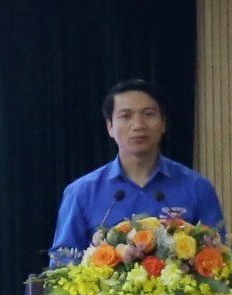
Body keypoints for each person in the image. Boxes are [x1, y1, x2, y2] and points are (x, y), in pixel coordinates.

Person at [52, 79, 222, 263]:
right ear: (110, 127)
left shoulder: (197, 187)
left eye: (149, 114)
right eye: (126, 116)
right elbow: (62, 261)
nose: (138, 125)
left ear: (163, 124)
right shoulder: (81, 192)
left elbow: (220, 255)